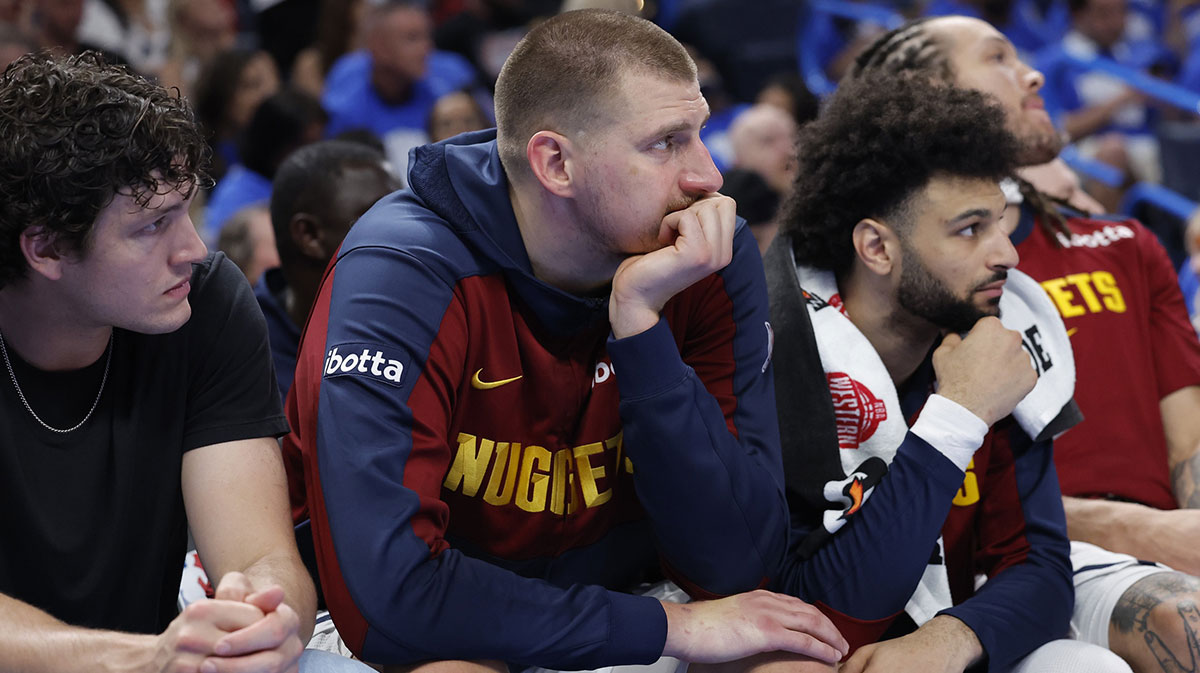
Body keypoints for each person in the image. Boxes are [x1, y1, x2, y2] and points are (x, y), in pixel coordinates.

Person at [284, 8, 848, 671]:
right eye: (666, 142)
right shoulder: (402, 273)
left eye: (699, 133)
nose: (708, 176)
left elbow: (739, 561)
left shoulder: (701, 257)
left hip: (625, 595)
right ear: (556, 163)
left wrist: (638, 326)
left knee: (793, 661)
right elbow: (393, 597)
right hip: (424, 625)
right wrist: (664, 627)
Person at [0, 50, 384, 672]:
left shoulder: (204, 301)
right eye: (152, 226)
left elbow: (260, 553)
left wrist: (261, 618)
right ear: (45, 248)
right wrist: (144, 658)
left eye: (187, 210)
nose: (193, 249)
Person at [850, 16, 1200, 673]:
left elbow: (1190, 441)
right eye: (999, 58)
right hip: (1017, 554)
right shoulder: (924, 274)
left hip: (1143, 548)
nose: (1034, 73)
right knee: (1179, 619)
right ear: (930, 95)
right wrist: (1140, 528)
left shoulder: (1127, 241)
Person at [765, 72, 1102, 673]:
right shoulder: (778, 353)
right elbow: (821, 610)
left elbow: (1043, 569)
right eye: (971, 229)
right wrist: (959, 415)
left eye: (1000, 222)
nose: (1008, 253)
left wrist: (950, 641)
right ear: (876, 248)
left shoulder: (995, 335)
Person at [260, 139, 400, 404]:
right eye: (375, 216)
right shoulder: (238, 350)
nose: (405, 232)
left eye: (406, 213)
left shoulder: (424, 312)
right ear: (309, 235)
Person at [321, 0, 476, 180]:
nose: (427, 48)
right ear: (379, 47)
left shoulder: (453, 75)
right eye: (412, 38)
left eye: (428, 36)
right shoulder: (346, 82)